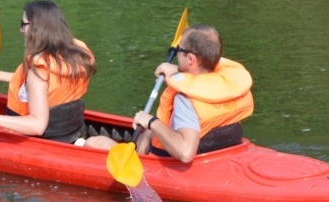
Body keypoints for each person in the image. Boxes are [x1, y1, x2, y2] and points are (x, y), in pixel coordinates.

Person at [86, 24, 253, 163]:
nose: (177, 53)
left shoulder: (185, 99)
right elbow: (201, 77)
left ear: (190, 59)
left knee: (92, 143)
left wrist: (152, 121)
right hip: (225, 151)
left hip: (174, 162)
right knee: (150, 131)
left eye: (180, 49)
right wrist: (175, 71)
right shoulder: (226, 83)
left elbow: (186, 153)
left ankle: (134, 155)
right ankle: (140, 147)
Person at [0, 0, 96, 143]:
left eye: (23, 24)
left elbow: (37, 126)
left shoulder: (38, 72)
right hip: (72, 132)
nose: (21, 30)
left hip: (41, 140)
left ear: (37, 28)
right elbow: (42, 89)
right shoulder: (72, 58)